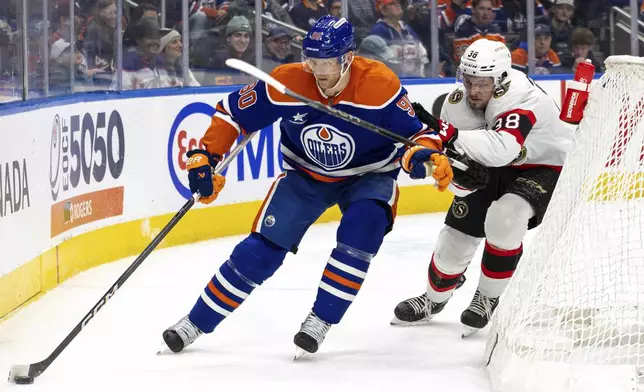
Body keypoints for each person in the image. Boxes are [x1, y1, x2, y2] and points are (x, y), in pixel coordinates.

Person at [161, 15, 454, 358]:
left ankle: (321, 319)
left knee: (363, 229)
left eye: (326, 61)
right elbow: (232, 113)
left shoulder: (378, 85)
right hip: (305, 176)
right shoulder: (289, 81)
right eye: (310, 59)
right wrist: (204, 156)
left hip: (369, 175)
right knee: (260, 251)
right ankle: (195, 322)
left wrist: (422, 155)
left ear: (347, 57)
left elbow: (418, 134)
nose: (316, 69)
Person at [391, 38, 573, 337]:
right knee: (453, 243)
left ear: (500, 80)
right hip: (496, 165)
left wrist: (449, 134)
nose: (473, 91)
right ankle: (434, 300)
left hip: (543, 165)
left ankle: (487, 297)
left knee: (505, 219)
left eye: (483, 83)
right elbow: (451, 166)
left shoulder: (522, 96)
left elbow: (502, 148)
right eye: (469, 81)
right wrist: (461, 181)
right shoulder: (457, 103)